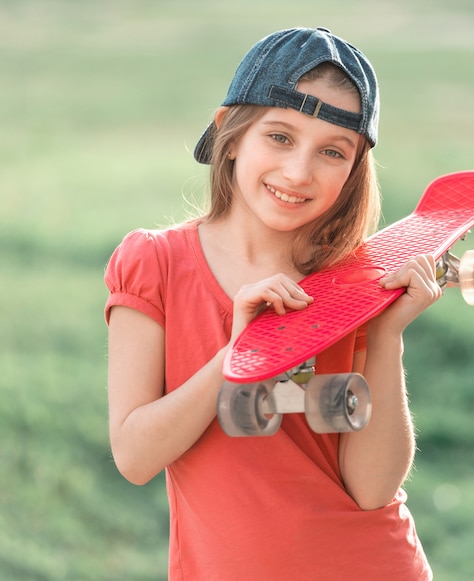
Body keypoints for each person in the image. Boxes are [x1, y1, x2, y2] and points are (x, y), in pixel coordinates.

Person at [104, 27, 441, 580]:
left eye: (333, 151)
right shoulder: (154, 264)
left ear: (353, 171)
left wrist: (386, 336)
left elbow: (372, 488)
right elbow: (135, 457)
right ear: (230, 133)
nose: (298, 172)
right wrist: (240, 353)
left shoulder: (352, 280)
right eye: (280, 137)